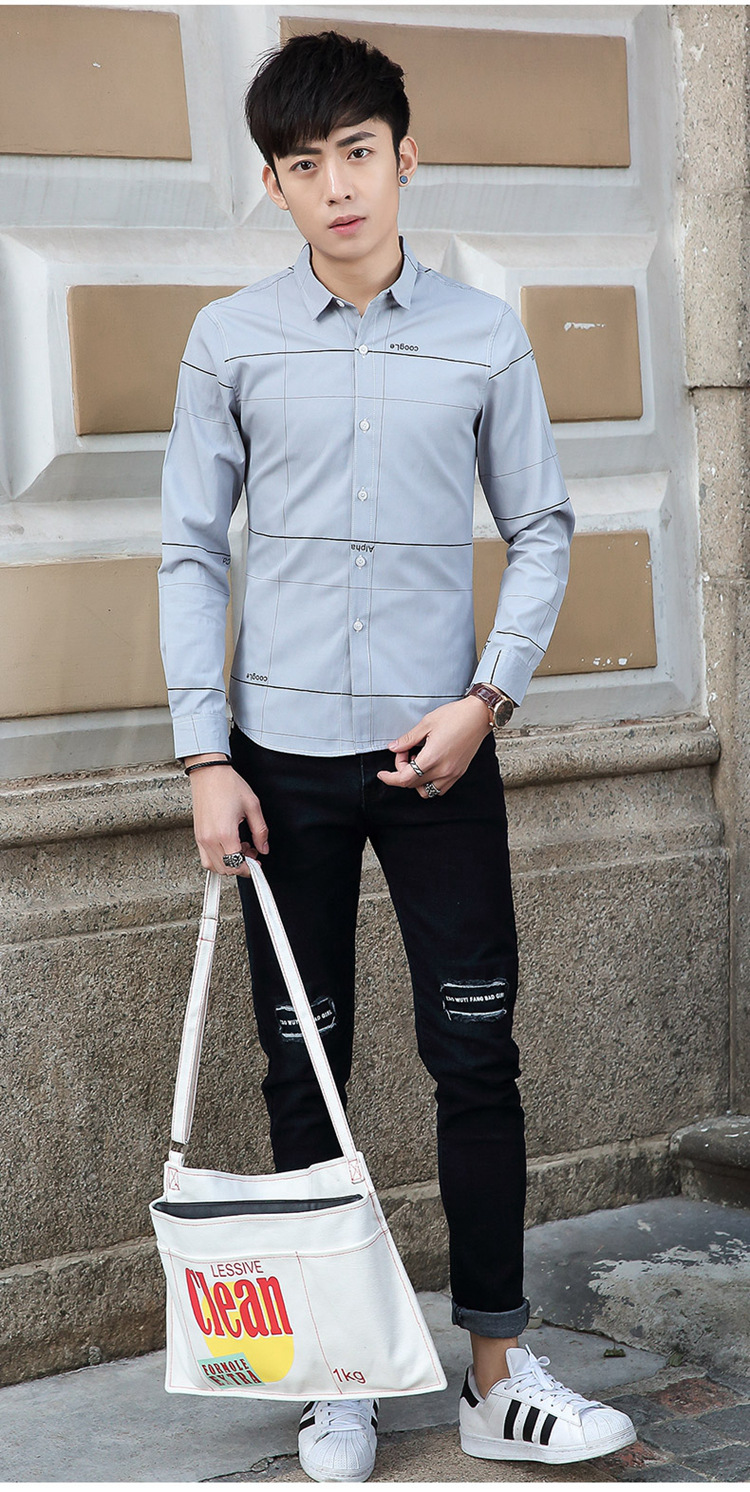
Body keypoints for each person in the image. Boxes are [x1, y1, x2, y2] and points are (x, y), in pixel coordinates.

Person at [157, 28, 636, 1483]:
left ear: (404, 155)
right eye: (305, 166)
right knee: (303, 1068)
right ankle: (339, 1375)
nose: (338, 187)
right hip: (278, 767)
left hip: (440, 755)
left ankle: (496, 1370)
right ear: (275, 185)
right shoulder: (231, 339)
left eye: (358, 153)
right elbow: (190, 548)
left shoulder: (483, 335)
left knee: (474, 1054)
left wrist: (486, 699)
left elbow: (540, 525)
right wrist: (204, 758)